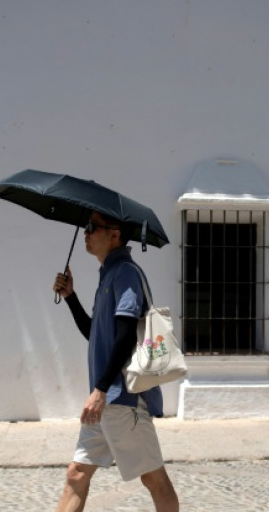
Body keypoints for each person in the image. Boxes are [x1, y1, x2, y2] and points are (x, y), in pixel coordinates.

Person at [51, 211, 179, 512]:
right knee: (76, 474)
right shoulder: (108, 274)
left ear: (115, 234)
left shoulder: (125, 273)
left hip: (121, 400)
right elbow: (95, 332)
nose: (86, 232)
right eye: (85, 227)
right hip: (105, 401)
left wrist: (100, 389)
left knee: (154, 479)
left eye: (93, 227)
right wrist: (71, 297)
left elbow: (124, 338)